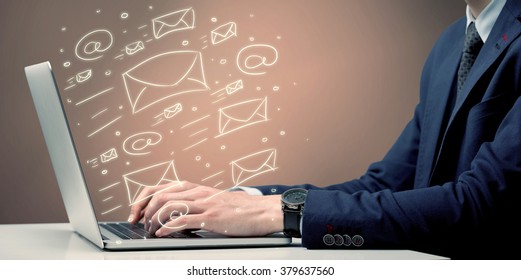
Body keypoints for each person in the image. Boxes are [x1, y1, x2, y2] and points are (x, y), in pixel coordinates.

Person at [128, 0, 521, 259]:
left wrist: (281, 212)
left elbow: (481, 205)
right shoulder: (452, 42)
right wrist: (241, 200)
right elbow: (384, 185)